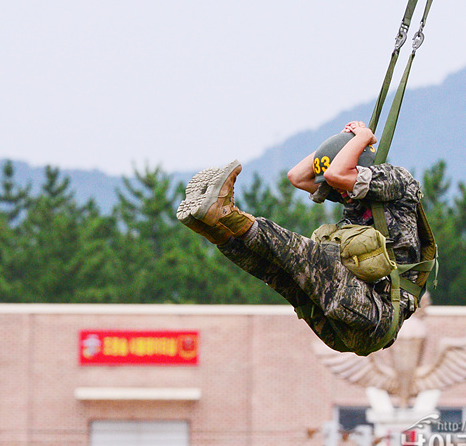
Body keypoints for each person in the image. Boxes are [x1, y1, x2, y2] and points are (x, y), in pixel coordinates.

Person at [176, 120, 424, 356]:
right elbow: (297, 176)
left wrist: (362, 137)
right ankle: (215, 228)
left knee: (301, 253)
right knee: (278, 270)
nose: (339, 194)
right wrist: (341, 141)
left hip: (378, 314)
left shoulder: (396, 181)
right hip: (340, 324)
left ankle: (227, 214)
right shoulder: (351, 194)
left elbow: (335, 175)